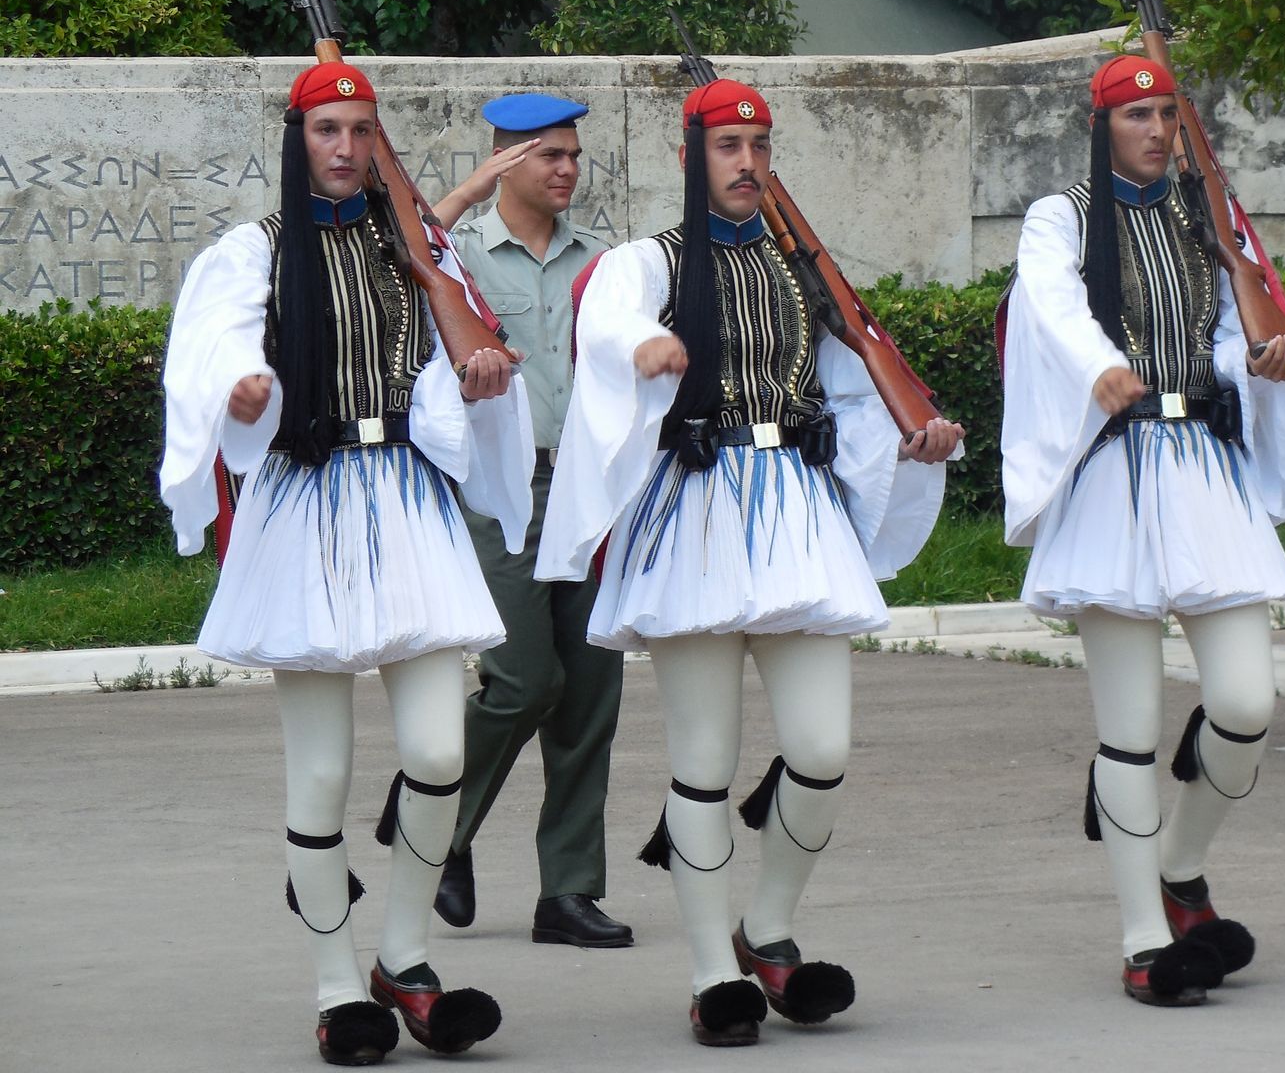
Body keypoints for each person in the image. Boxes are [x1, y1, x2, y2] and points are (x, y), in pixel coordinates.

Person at [536, 77, 962, 1047]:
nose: (746, 163)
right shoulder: (653, 260)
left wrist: (913, 439)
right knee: (703, 761)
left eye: (760, 145)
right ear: (692, 159)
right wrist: (647, 346)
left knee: (821, 751)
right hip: (695, 518)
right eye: (728, 146)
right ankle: (711, 972)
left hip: (798, 516)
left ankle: (766, 926)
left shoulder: (794, 268)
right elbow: (608, 316)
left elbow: (853, 389)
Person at [159, 62, 531, 1065]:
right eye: (327, 128)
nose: (345, 147)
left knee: (440, 754)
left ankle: (403, 959)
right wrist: (239, 388)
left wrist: (479, 372)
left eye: (362, 130)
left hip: (406, 500)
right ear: (298, 138)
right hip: (308, 501)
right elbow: (209, 348)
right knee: (321, 773)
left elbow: (449, 364)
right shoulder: (256, 251)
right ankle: (336, 983)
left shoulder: (413, 243)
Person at [999, 53, 1285, 1008]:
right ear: (1102, 126)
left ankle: (1181, 864)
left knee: (1247, 703)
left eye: (1167, 117)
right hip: (1114, 476)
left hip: (1204, 472)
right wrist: (1099, 365)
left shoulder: (1202, 217)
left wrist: (1266, 351)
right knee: (1130, 731)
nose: (1155, 131)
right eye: (1137, 117)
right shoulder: (1061, 215)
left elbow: (1229, 328)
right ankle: (1145, 937)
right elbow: (1049, 300)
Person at [421, 92, 630, 950]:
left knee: (589, 691)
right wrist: (465, 195)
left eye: (574, 155)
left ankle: (569, 892)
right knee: (523, 680)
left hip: (590, 492)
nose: (567, 169)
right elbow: (384, 256)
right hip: (502, 495)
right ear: (507, 161)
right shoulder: (457, 254)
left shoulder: (608, 262)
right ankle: (433, 831)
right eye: (549, 155)